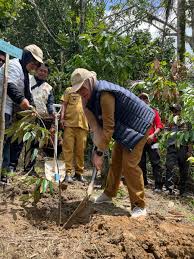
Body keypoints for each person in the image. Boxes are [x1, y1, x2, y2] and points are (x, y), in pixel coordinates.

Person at [69, 68, 155, 218]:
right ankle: (108, 194)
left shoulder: (104, 94)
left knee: (129, 164)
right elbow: (95, 128)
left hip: (140, 124)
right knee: (116, 161)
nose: (81, 92)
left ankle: (139, 206)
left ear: (90, 82)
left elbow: (108, 128)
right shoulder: (88, 99)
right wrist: (97, 150)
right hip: (125, 128)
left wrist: (100, 153)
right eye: (78, 90)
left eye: (82, 88)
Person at [0, 44, 43, 182]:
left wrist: (33, 107)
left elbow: (28, 93)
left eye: (37, 65)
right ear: (26, 57)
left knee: (8, 141)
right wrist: (21, 100)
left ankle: (5, 171)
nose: (35, 67)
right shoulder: (13, 66)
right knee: (4, 141)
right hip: (2, 108)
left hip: (9, 111)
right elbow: (10, 86)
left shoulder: (25, 74)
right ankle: (3, 173)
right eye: (34, 63)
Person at [23, 63, 55, 174]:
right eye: (41, 70)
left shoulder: (49, 88)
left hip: (42, 119)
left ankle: (30, 167)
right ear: (36, 70)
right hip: (27, 116)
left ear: (47, 74)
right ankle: (14, 165)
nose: (42, 73)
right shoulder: (28, 79)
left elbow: (50, 104)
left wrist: (53, 113)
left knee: (35, 144)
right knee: (22, 142)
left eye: (45, 71)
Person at [60, 87, 89, 183]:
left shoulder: (88, 91)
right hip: (69, 124)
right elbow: (64, 104)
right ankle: (67, 173)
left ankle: (79, 173)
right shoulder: (69, 90)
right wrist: (62, 118)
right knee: (68, 149)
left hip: (83, 125)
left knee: (80, 150)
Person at [165, 104, 192, 195]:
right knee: (170, 166)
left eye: (176, 111)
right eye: (173, 111)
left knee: (184, 169)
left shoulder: (187, 122)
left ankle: (182, 191)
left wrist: (189, 151)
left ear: (180, 111)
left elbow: (190, 138)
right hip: (172, 147)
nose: (174, 113)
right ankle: (169, 189)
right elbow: (166, 134)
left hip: (183, 148)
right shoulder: (169, 121)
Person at [138, 93, 163, 192]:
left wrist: (153, 135)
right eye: (141, 98)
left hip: (153, 141)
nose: (143, 100)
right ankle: (143, 182)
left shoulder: (154, 112)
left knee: (156, 162)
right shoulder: (137, 112)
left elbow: (159, 125)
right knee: (141, 162)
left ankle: (158, 185)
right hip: (141, 141)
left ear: (148, 101)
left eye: (145, 98)